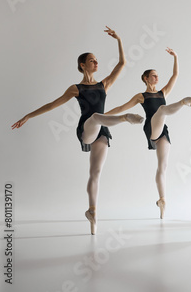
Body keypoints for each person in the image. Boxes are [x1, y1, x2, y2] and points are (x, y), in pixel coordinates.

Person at [11, 26, 144, 235]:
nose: (96, 62)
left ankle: (92, 212)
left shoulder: (104, 84)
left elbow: (122, 64)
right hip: (87, 128)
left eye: (96, 60)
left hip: (102, 130)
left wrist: (118, 39)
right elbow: (52, 105)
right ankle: (125, 118)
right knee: (96, 117)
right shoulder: (76, 88)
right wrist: (28, 116)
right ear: (83, 65)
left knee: (95, 172)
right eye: (92, 60)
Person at [105, 47, 191, 219]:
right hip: (151, 127)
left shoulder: (163, 92)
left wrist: (176, 57)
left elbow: (175, 76)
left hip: (164, 131)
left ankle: (162, 199)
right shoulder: (141, 96)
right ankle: (184, 102)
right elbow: (121, 107)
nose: (157, 77)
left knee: (163, 166)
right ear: (146, 78)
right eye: (153, 75)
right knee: (162, 110)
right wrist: (103, 116)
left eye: (157, 75)